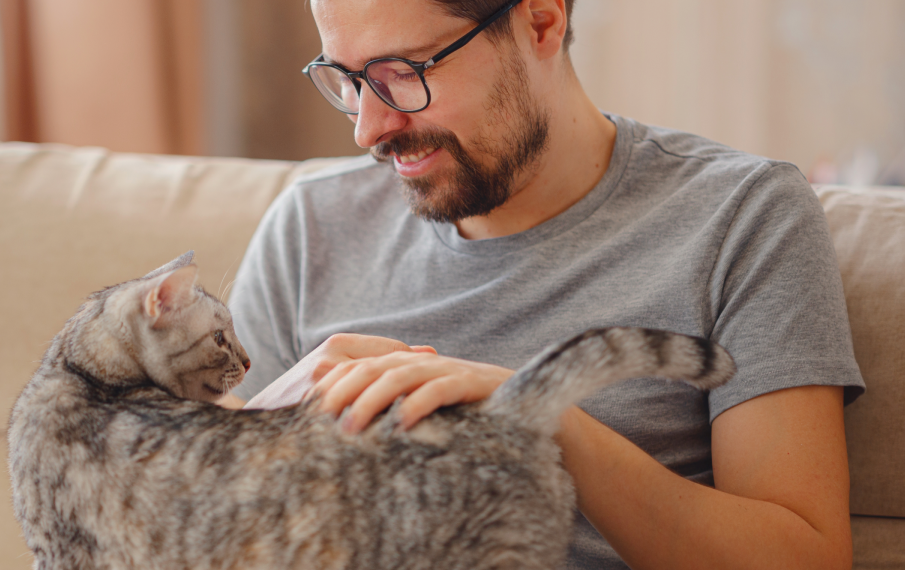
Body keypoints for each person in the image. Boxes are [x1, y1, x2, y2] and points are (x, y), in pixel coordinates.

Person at [216, 0, 867, 568]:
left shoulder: (744, 218)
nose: (369, 129)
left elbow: (802, 558)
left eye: (403, 74)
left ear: (541, 22)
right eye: (349, 80)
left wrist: (545, 417)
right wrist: (268, 426)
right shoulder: (309, 229)